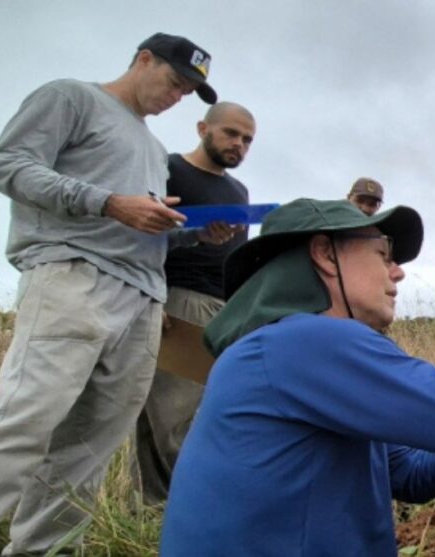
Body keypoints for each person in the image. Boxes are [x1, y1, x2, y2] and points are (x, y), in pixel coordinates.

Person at [158, 199, 435, 556]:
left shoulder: (281, 351)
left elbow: (410, 472)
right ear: (323, 255)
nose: (397, 272)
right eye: (381, 255)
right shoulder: (305, 341)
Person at [0, 33, 234, 555]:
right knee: (24, 424)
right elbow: (5, 165)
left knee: (87, 449)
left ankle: (43, 549)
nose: (176, 96)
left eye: (188, 92)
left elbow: (138, 223)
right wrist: (109, 203)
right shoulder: (71, 98)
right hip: (74, 279)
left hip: (143, 298)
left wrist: (190, 231)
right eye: (173, 81)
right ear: (143, 60)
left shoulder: (152, 148)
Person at [132, 101, 256, 505]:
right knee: (171, 418)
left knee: (189, 415)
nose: (239, 144)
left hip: (222, 307)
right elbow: (139, 235)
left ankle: (152, 516)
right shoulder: (167, 169)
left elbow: (237, 255)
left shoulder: (239, 191)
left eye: (247, 139)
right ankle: (186, 511)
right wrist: (151, 299)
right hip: (176, 299)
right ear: (204, 127)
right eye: (231, 133)